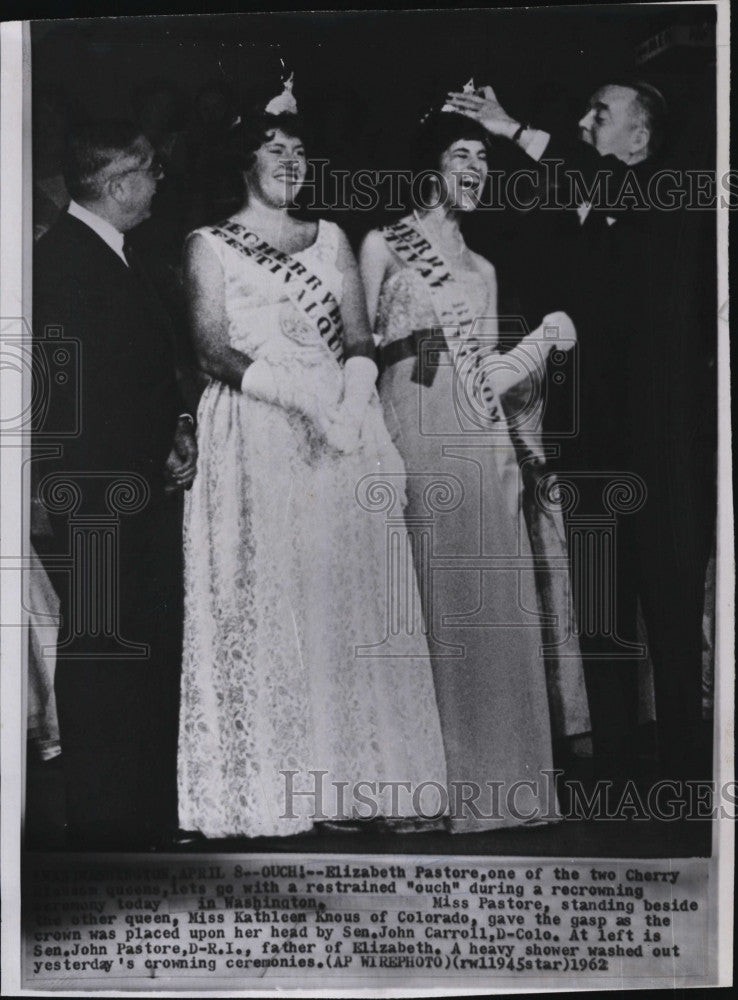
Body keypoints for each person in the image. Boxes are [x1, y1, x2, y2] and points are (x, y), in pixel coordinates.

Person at [177, 89, 447, 840]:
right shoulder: (210, 243)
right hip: (258, 425)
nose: (290, 163)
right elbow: (211, 347)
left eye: (299, 151)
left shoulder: (332, 237)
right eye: (275, 149)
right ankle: (279, 789)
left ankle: (359, 784)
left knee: (348, 593)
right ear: (244, 161)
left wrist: (354, 395)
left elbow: (359, 336)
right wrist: (296, 392)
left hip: (338, 426)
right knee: (276, 597)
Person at [445, 80, 716, 781]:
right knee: (601, 615)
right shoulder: (586, 215)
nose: (582, 119)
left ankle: (686, 772)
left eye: (601, 113)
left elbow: (589, 178)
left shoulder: (678, 192)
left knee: (672, 614)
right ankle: (620, 767)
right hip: (594, 449)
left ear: (642, 136)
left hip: (666, 452)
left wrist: (510, 124)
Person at [359, 108, 586, 832]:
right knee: (427, 592)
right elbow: (358, 352)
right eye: (463, 154)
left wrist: (542, 347)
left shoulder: (485, 268)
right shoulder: (381, 242)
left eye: (484, 159)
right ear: (430, 166)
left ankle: (501, 784)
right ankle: (431, 786)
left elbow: (489, 369)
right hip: (408, 412)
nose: (477, 169)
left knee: (487, 598)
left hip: (475, 426)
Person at [33, 120, 198, 849]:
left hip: (133, 484)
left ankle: (136, 812)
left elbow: (148, 374)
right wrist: (142, 459)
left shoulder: (121, 256)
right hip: (101, 492)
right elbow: (75, 400)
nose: (159, 181)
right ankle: (105, 820)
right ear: (120, 182)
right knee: (103, 646)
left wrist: (175, 434)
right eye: (150, 171)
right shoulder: (61, 261)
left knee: (136, 643)